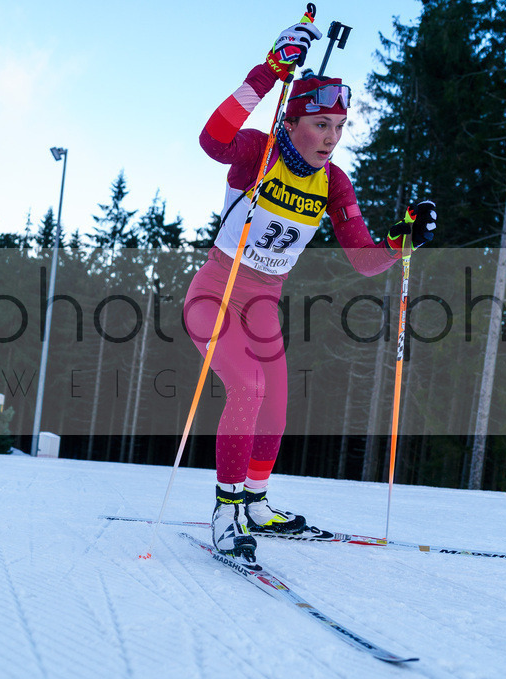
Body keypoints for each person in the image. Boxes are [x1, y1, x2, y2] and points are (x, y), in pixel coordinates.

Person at [184, 23, 438, 560]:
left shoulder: (334, 182)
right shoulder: (259, 150)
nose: (331, 138)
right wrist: (270, 71)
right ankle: (225, 511)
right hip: (216, 292)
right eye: (321, 124)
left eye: (340, 127)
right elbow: (212, 139)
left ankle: (256, 503)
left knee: (275, 402)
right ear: (292, 120)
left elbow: (366, 261)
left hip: (263, 304)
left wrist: (403, 237)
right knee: (248, 387)